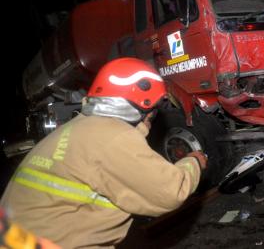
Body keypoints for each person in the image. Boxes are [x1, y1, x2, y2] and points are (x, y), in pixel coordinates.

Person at [1, 58, 207, 248]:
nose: (151, 121)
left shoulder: (77, 128)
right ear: (142, 107)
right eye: (152, 113)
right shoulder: (113, 136)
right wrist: (194, 162)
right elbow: (169, 191)